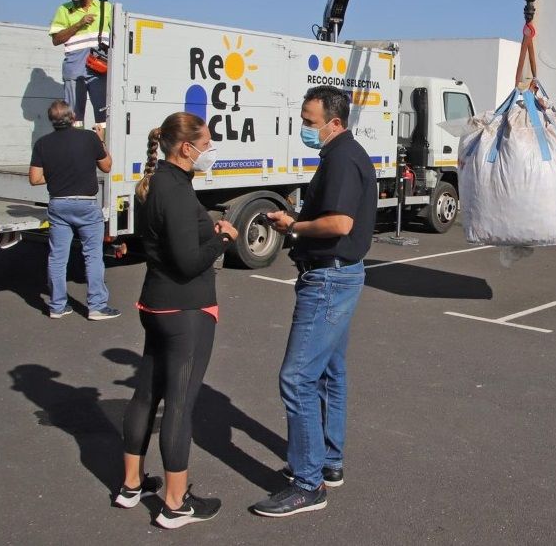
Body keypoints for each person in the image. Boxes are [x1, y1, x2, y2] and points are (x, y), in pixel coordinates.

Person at [250, 85, 376, 518]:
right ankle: (328, 462)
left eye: (309, 121)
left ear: (334, 123)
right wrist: (298, 220)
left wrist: (297, 226)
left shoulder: (342, 157)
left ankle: (308, 484)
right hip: (338, 277)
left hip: (329, 279)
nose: (303, 126)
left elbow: (341, 222)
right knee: (329, 373)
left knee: (298, 378)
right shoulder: (345, 154)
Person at [120, 112, 238, 529]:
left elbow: (164, 244)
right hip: (185, 309)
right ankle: (175, 503)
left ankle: (131, 485)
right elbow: (188, 262)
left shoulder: (158, 184)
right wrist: (223, 238)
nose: (210, 152)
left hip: (155, 305)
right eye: (206, 144)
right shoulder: (175, 191)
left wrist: (208, 231)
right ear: (186, 148)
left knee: (145, 394)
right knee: (180, 404)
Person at [28, 100, 120, 320]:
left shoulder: (42, 143)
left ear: (52, 120)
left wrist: (57, 175)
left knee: (58, 258)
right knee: (93, 255)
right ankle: (97, 306)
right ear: (72, 117)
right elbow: (107, 166)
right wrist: (100, 140)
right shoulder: (89, 138)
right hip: (86, 204)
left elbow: (35, 179)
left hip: (59, 204)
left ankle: (57, 306)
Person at [48, 0, 110, 134]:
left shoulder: (105, 7)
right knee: (73, 116)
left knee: (104, 113)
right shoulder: (64, 10)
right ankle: (75, 148)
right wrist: (79, 24)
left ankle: (103, 150)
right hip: (74, 67)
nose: (75, 1)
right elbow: (56, 39)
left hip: (99, 67)